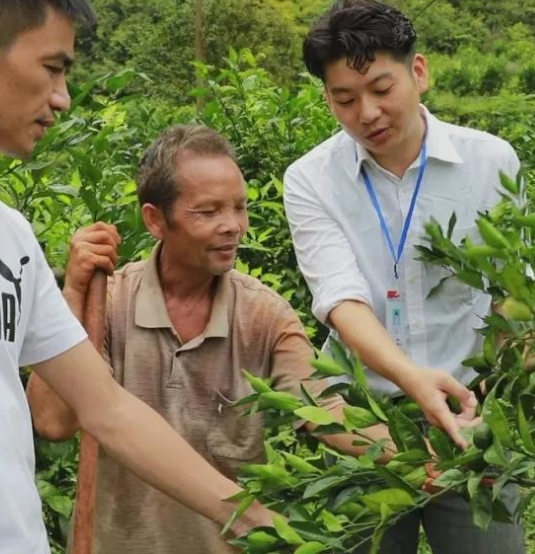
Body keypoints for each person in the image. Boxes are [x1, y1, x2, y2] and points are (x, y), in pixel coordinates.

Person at [0, 0, 266, 551]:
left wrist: (258, 521)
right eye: (51, 68)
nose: (62, 98)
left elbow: (107, 409)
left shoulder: (7, 236)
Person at [26, 124, 393, 554]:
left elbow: (325, 411)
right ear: (155, 219)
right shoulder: (108, 304)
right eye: (208, 212)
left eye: (239, 208)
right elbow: (53, 422)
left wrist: (426, 457)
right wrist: (72, 293)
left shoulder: (262, 315)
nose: (232, 226)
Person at [283, 0, 526, 554]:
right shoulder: (311, 180)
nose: (365, 113)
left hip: (471, 413)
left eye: (381, 90)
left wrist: (489, 399)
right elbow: (341, 301)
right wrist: (413, 380)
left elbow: (513, 292)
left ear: (419, 72)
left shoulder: (490, 162)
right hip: (364, 421)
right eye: (344, 99)